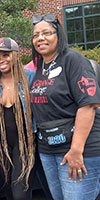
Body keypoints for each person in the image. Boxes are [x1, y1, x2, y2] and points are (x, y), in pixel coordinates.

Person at [30, 13, 100, 199]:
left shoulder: (74, 60)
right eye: (36, 35)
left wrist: (77, 150)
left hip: (77, 149)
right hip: (48, 150)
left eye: (47, 33)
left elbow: (88, 105)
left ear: (58, 35)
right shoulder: (40, 69)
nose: (40, 38)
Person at [0, 38, 36, 200]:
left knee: (20, 192)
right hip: (0, 144)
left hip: (24, 144)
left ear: (16, 55)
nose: (1, 60)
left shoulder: (31, 77)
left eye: (5, 55)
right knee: (7, 189)